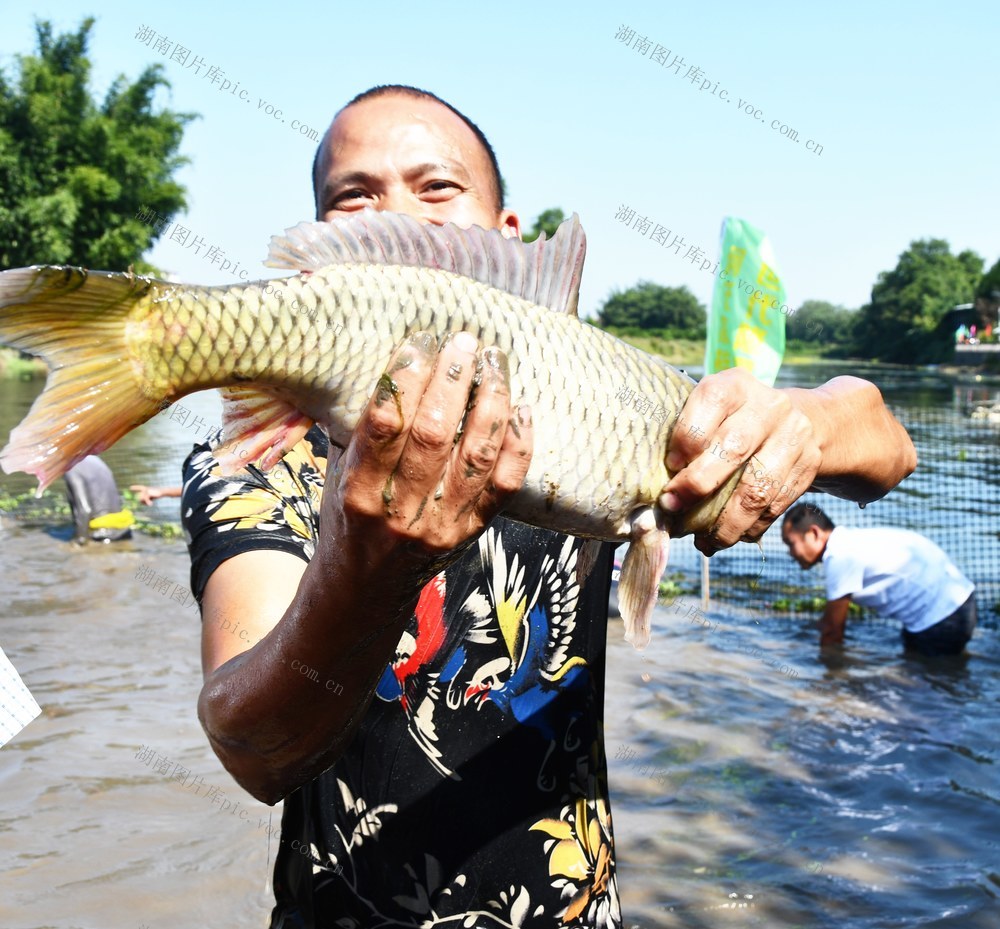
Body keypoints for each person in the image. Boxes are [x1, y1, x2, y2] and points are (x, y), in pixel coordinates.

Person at [181, 85, 916, 928]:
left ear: (508, 241)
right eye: (357, 197)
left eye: (437, 188)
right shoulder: (258, 460)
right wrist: (361, 565)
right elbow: (251, 747)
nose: (401, 221)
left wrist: (806, 424)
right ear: (327, 246)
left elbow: (887, 446)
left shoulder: (595, 389)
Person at [781, 502, 976, 655]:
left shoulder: (840, 555)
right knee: (930, 674)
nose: (790, 553)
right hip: (955, 605)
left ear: (814, 533)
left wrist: (827, 679)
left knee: (923, 689)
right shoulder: (849, 542)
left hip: (942, 617)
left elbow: (833, 632)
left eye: (791, 544)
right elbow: (830, 623)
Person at [63, 455, 133, 543]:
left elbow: (84, 510)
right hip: (124, 530)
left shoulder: (71, 467)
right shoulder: (94, 459)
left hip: (102, 535)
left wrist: (80, 540)